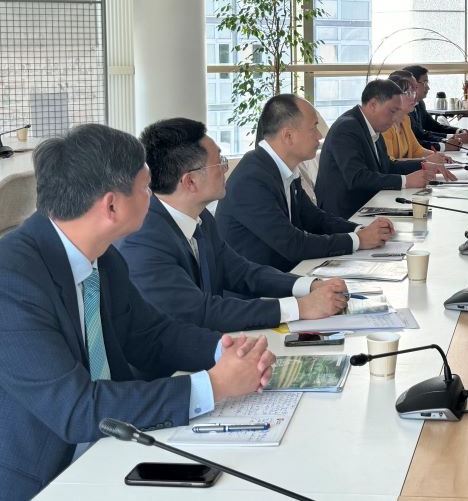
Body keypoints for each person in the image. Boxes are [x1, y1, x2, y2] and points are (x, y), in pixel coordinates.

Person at [0, 124, 275, 498]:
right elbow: (76, 409)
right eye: (146, 188)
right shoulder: (12, 280)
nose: (154, 196)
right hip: (45, 476)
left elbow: (150, 335)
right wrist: (214, 385)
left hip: (112, 447)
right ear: (111, 205)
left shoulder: (102, 255)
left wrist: (226, 351)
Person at [120, 118, 351, 332]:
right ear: (190, 181)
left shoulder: (201, 217)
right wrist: (300, 307)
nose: (226, 168)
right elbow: (200, 312)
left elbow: (241, 272)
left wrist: (309, 285)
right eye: (219, 162)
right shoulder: (143, 240)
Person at [216, 94, 394, 272]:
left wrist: (360, 229)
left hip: (285, 274)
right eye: (313, 128)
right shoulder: (251, 179)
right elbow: (293, 244)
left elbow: (315, 218)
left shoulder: (283, 168)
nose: (320, 136)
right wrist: (358, 240)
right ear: (288, 136)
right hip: (259, 285)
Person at [316, 79, 457, 219]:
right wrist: (405, 181)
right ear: (373, 105)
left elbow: (387, 166)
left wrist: (423, 165)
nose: (395, 118)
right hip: (344, 215)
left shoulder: (372, 126)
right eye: (392, 111)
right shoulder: (347, 128)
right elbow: (357, 177)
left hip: (369, 204)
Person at [383, 71, 457, 164]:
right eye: (408, 93)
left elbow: (416, 150)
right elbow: (390, 163)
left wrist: (437, 156)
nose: (413, 97)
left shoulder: (405, 119)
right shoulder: (385, 126)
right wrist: (425, 160)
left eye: (413, 92)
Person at [402, 64, 468, 150]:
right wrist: (447, 143)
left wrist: (459, 132)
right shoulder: (404, 110)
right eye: (425, 83)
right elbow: (417, 139)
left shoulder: (419, 103)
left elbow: (433, 127)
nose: (428, 88)